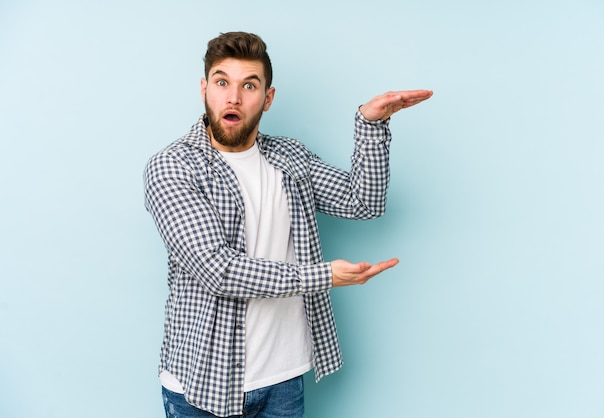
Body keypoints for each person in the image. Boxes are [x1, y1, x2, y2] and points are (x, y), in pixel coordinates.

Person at [144, 31, 433, 418]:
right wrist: (324, 276)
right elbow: (219, 270)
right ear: (204, 89)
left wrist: (370, 124)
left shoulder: (290, 157)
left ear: (268, 98)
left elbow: (362, 201)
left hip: (283, 378)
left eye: (249, 85)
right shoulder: (173, 166)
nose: (233, 97)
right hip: (204, 385)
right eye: (222, 82)